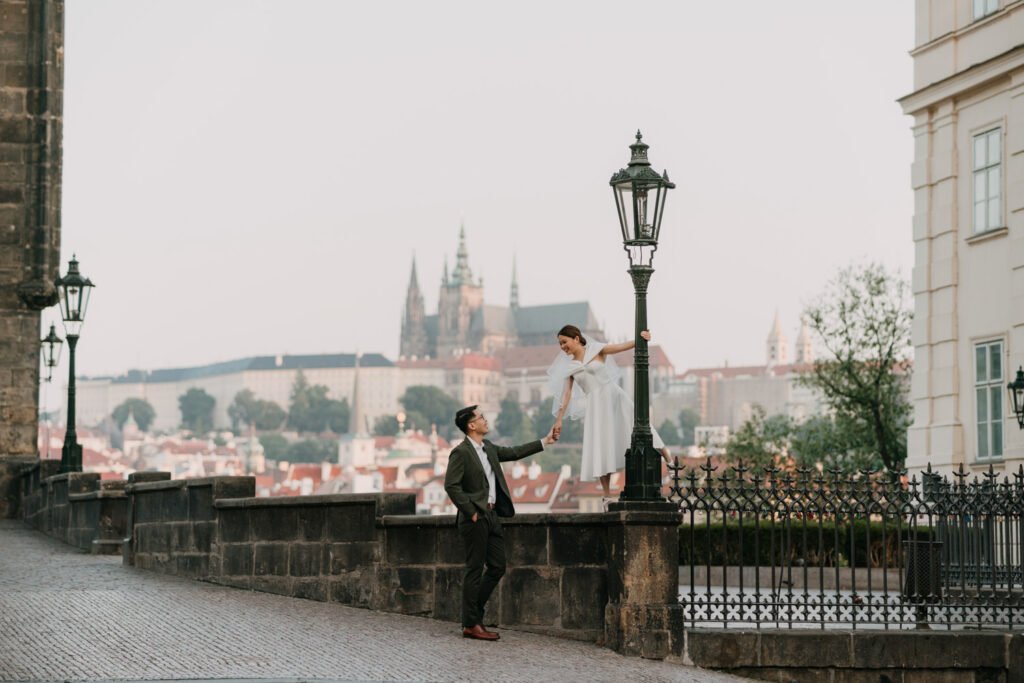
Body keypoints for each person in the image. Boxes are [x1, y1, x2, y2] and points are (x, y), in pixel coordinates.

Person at [444, 405, 558, 641]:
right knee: (474, 569)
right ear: (471, 425)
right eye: (481, 418)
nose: (485, 420)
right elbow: (451, 486)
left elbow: (514, 452)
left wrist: (545, 441)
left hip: (492, 515)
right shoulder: (461, 452)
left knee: (497, 566)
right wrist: (471, 511)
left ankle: (473, 616)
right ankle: (471, 624)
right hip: (475, 517)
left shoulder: (488, 447)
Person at [548, 324, 672, 507]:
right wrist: (559, 420)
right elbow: (566, 395)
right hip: (595, 407)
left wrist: (640, 339)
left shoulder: (596, 349)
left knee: (638, 424)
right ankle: (606, 495)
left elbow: (620, 347)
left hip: (614, 397)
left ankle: (668, 458)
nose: (562, 347)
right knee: (601, 446)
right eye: (560, 344)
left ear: (576, 338)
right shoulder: (570, 367)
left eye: (564, 342)